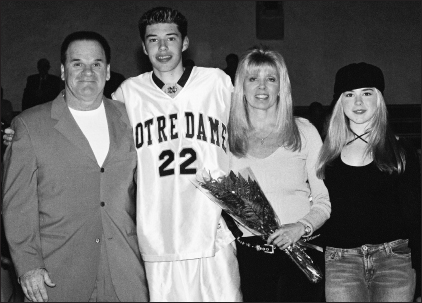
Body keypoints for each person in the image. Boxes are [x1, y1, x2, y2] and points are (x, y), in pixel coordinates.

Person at [2, 31, 149, 302]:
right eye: (77, 63)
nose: (87, 72)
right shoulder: (31, 125)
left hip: (124, 272)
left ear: (107, 72)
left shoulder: (132, 120)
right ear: (62, 70)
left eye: (96, 64)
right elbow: (17, 205)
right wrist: (28, 264)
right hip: (57, 274)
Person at [111, 6, 241, 302]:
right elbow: (93, 133)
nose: (163, 47)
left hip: (213, 229)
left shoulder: (216, 82)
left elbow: (253, 124)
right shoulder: (128, 93)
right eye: (153, 40)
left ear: (184, 42)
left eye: (170, 38)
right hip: (158, 233)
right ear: (144, 47)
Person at [228, 45, 331, 302]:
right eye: (253, 79)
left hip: (301, 251)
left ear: (280, 87)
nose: (262, 87)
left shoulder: (304, 131)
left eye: (270, 79)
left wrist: (301, 227)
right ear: (241, 86)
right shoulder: (226, 138)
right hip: (250, 258)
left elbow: (324, 201)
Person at [316, 62, 421, 302]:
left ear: (379, 99)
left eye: (367, 93)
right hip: (341, 263)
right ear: (339, 102)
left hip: (393, 260)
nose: (358, 102)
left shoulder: (400, 150)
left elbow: (415, 214)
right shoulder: (325, 152)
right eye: (349, 94)